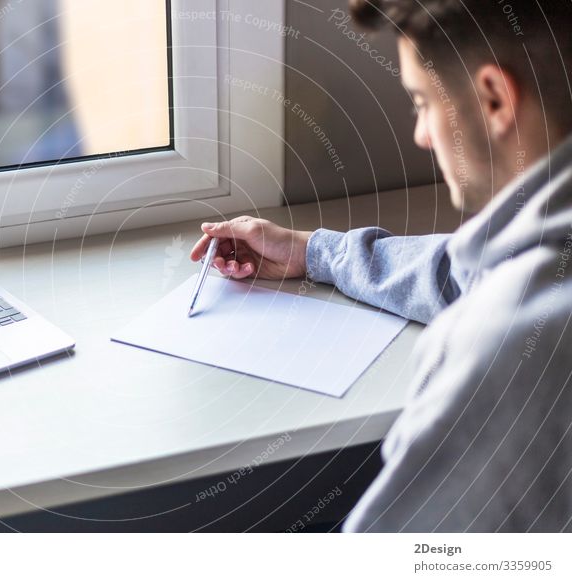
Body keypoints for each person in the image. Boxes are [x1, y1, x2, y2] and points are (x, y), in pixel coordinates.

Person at [190, 0, 572, 532]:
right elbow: (463, 271)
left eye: (421, 102)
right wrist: (312, 252)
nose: (420, 134)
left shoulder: (515, 342)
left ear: (493, 99)